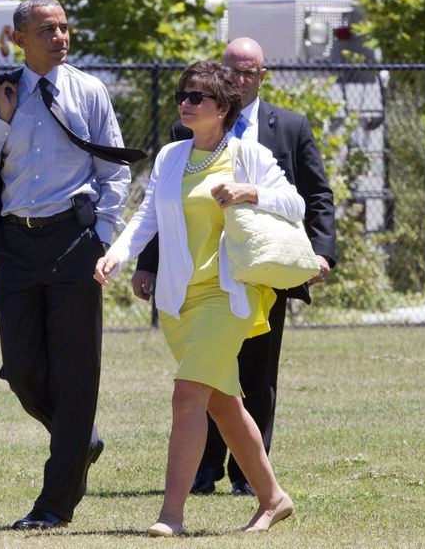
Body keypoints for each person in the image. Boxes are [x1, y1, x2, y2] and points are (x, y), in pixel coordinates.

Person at [95, 59, 297, 536]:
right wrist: (117, 255)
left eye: (197, 97)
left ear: (224, 107)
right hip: (178, 301)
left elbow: (296, 204)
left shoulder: (249, 155)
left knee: (187, 396)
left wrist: (250, 192)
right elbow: (148, 216)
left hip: (227, 297)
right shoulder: (170, 156)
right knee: (223, 404)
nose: (186, 103)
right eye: (184, 95)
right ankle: (273, 498)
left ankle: (171, 515)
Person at [0, 0, 138, 530]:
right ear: (18, 39)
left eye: (63, 28)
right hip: (16, 245)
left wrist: (101, 238)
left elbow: (115, 173)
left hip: (73, 243)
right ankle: (81, 437)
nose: (60, 37)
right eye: (46, 30)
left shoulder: (89, 90)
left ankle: (54, 505)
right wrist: (2, 122)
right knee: (19, 368)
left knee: (77, 376)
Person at [133, 37, 337, 496]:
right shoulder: (180, 139)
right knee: (216, 385)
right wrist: (145, 263)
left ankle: (245, 481)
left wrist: (321, 253)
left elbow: (314, 196)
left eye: (249, 72)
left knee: (256, 374)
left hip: (259, 271)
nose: (241, 79)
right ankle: (208, 473)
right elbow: (164, 209)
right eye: (233, 71)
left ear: (262, 76)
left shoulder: (288, 126)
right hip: (195, 280)